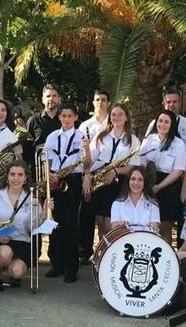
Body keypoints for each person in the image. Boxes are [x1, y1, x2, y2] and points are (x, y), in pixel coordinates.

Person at [0, 160, 49, 289]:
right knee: (5, 253)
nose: (16, 178)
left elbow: (33, 229)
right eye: (12, 174)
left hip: (22, 241)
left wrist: (43, 216)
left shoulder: (33, 199)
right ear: (7, 177)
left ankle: (10, 269)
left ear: (25, 178)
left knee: (17, 272)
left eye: (20, 175)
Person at [85, 104, 141, 238]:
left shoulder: (133, 140)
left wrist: (115, 171)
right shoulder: (100, 137)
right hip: (99, 179)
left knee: (111, 223)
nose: (116, 117)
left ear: (126, 117)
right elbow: (89, 162)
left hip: (119, 183)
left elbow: (134, 167)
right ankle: (101, 253)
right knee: (100, 222)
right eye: (113, 114)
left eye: (120, 114)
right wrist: (87, 175)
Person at [43, 103, 84, 283]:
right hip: (55, 180)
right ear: (59, 117)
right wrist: (49, 177)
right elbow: (47, 160)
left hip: (73, 180)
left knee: (70, 225)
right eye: (63, 116)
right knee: (54, 222)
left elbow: (84, 160)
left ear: (75, 117)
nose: (66, 119)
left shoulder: (82, 136)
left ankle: (71, 267)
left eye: (69, 116)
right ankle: (56, 264)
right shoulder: (53, 136)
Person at [137, 110, 185, 244]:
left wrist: (159, 186)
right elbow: (141, 163)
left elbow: (178, 170)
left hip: (169, 186)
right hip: (149, 184)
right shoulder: (148, 140)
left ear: (172, 125)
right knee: (149, 226)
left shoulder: (179, 143)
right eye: (160, 121)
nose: (162, 124)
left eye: (166, 122)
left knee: (165, 227)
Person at [78, 89, 110, 263]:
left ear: (108, 102)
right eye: (97, 99)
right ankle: (86, 251)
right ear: (93, 102)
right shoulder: (85, 126)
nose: (100, 103)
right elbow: (82, 152)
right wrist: (86, 174)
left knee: (105, 216)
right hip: (90, 172)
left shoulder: (112, 123)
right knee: (90, 214)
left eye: (103, 100)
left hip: (109, 173)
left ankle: (103, 250)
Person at [110, 166, 160, 231]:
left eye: (140, 179)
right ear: (128, 181)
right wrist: (119, 225)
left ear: (145, 182)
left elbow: (155, 228)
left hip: (146, 240)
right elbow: (113, 227)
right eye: (133, 179)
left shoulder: (153, 204)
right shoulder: (117, 204)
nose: (136, 183)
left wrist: (155, 227)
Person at [24, 84, 62, 168]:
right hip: (39, 170)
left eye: (54, 96)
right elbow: (27, 149)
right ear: (43, 100)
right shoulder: (33, 120)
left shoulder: (65, 120)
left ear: (59, 99)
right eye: (48, 96)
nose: (51, 99)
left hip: (62, 169)